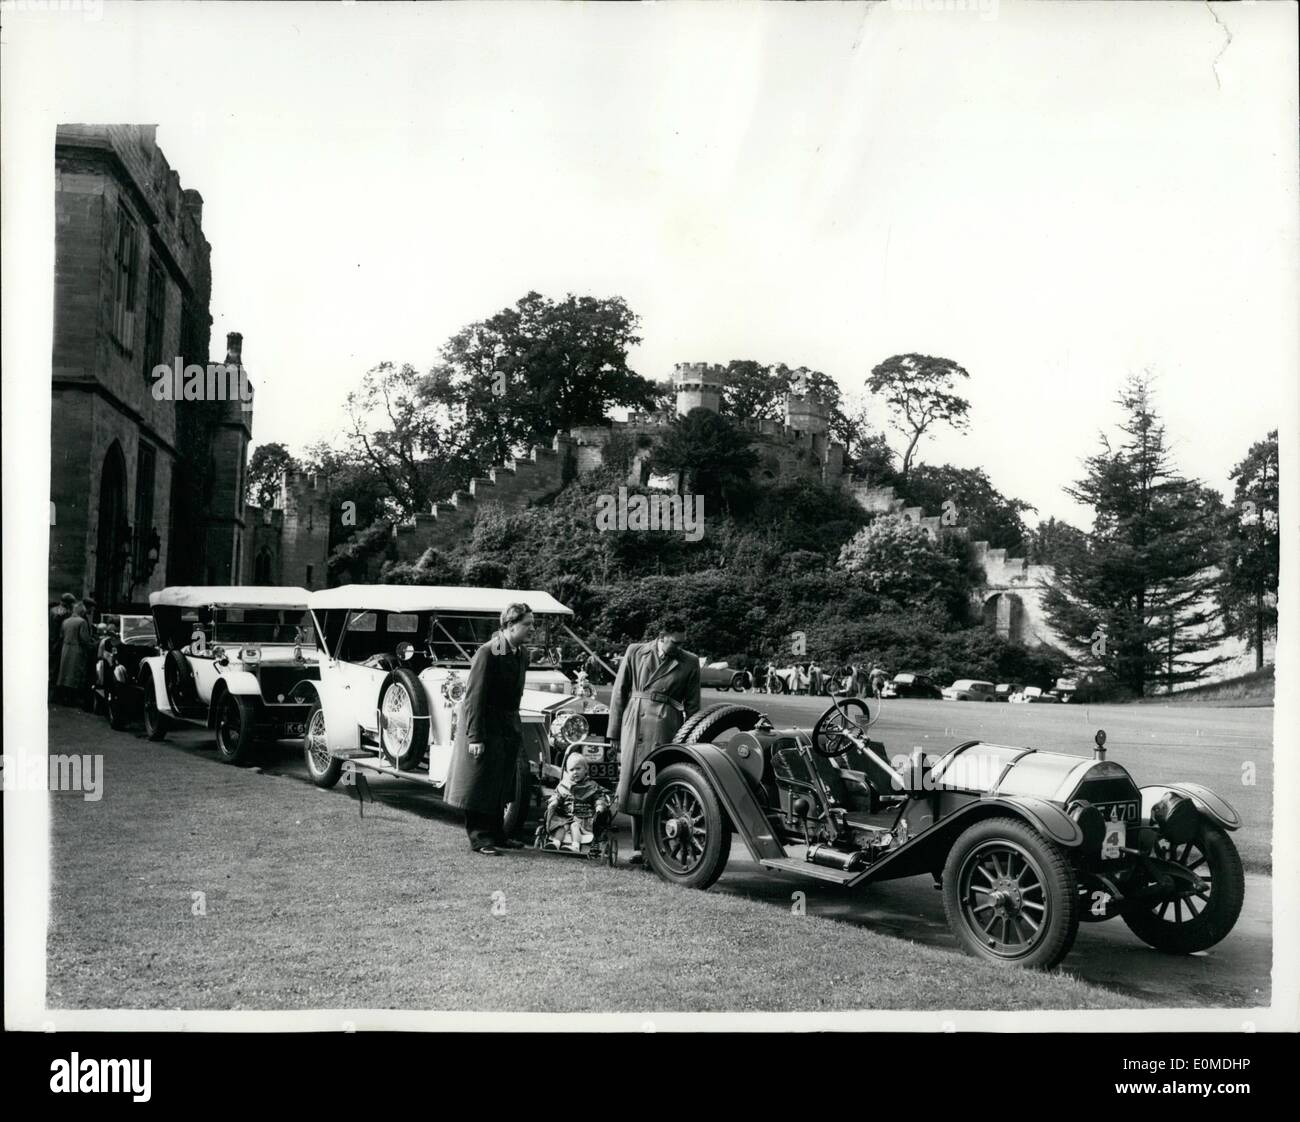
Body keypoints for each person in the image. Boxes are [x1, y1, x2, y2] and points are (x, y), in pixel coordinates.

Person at [444, 602, 534, 855]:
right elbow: (473, 698)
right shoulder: (487, 653)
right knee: (480, 783)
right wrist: (475, 736)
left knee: (500, 781)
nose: (531, 629)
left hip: (507, 725)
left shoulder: (522, 654)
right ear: (510, 625)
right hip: (486, 725)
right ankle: (480, 838)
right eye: (527, 624)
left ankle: (497, 834)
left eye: (532, 624)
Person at [609, 617, 701, 864]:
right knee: (634, 785)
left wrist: (692, 741)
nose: (679, 646)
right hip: (634, 724)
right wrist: (614, 733)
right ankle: (639, 847)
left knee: (656, 785)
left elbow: (693, 706)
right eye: (675, 642)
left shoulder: (690, 662)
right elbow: (619, 692)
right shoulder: (635, 651)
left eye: (682, 642)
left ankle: (655, 848)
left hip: (665, 727)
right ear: (661, 637)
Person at [544, 753, 612, 852]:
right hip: (566, 816)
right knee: (561, 826)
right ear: (567, 771)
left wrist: (600, 805)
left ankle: (575, 846)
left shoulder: (592, 785)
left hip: (584, 818)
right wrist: (554, 801)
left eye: (578, 769)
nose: (575, 772)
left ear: (585, 769)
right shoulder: (564, 785)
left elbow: (599, 796)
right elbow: (557, 795)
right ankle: (556, 843)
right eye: (571, 770)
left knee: (574, 825)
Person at [56, 601, 95, 706]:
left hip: (66, 648)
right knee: (74, 674)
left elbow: (61, 636)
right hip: (76, 650)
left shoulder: (66, 621)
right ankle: (72, 699)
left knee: (65, 673)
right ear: (82, 611)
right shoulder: (82, 622)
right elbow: (84, 639)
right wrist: (91, 644)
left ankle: (63, 697)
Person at [49, 592, 75, 699]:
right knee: (57, 667)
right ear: (68, 603)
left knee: (52, 666)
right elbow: (62, 630)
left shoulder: (53, 609)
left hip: (51, 640)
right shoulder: (64, 612)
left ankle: (51, 691)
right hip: (58, 642)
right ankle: (54, 695)